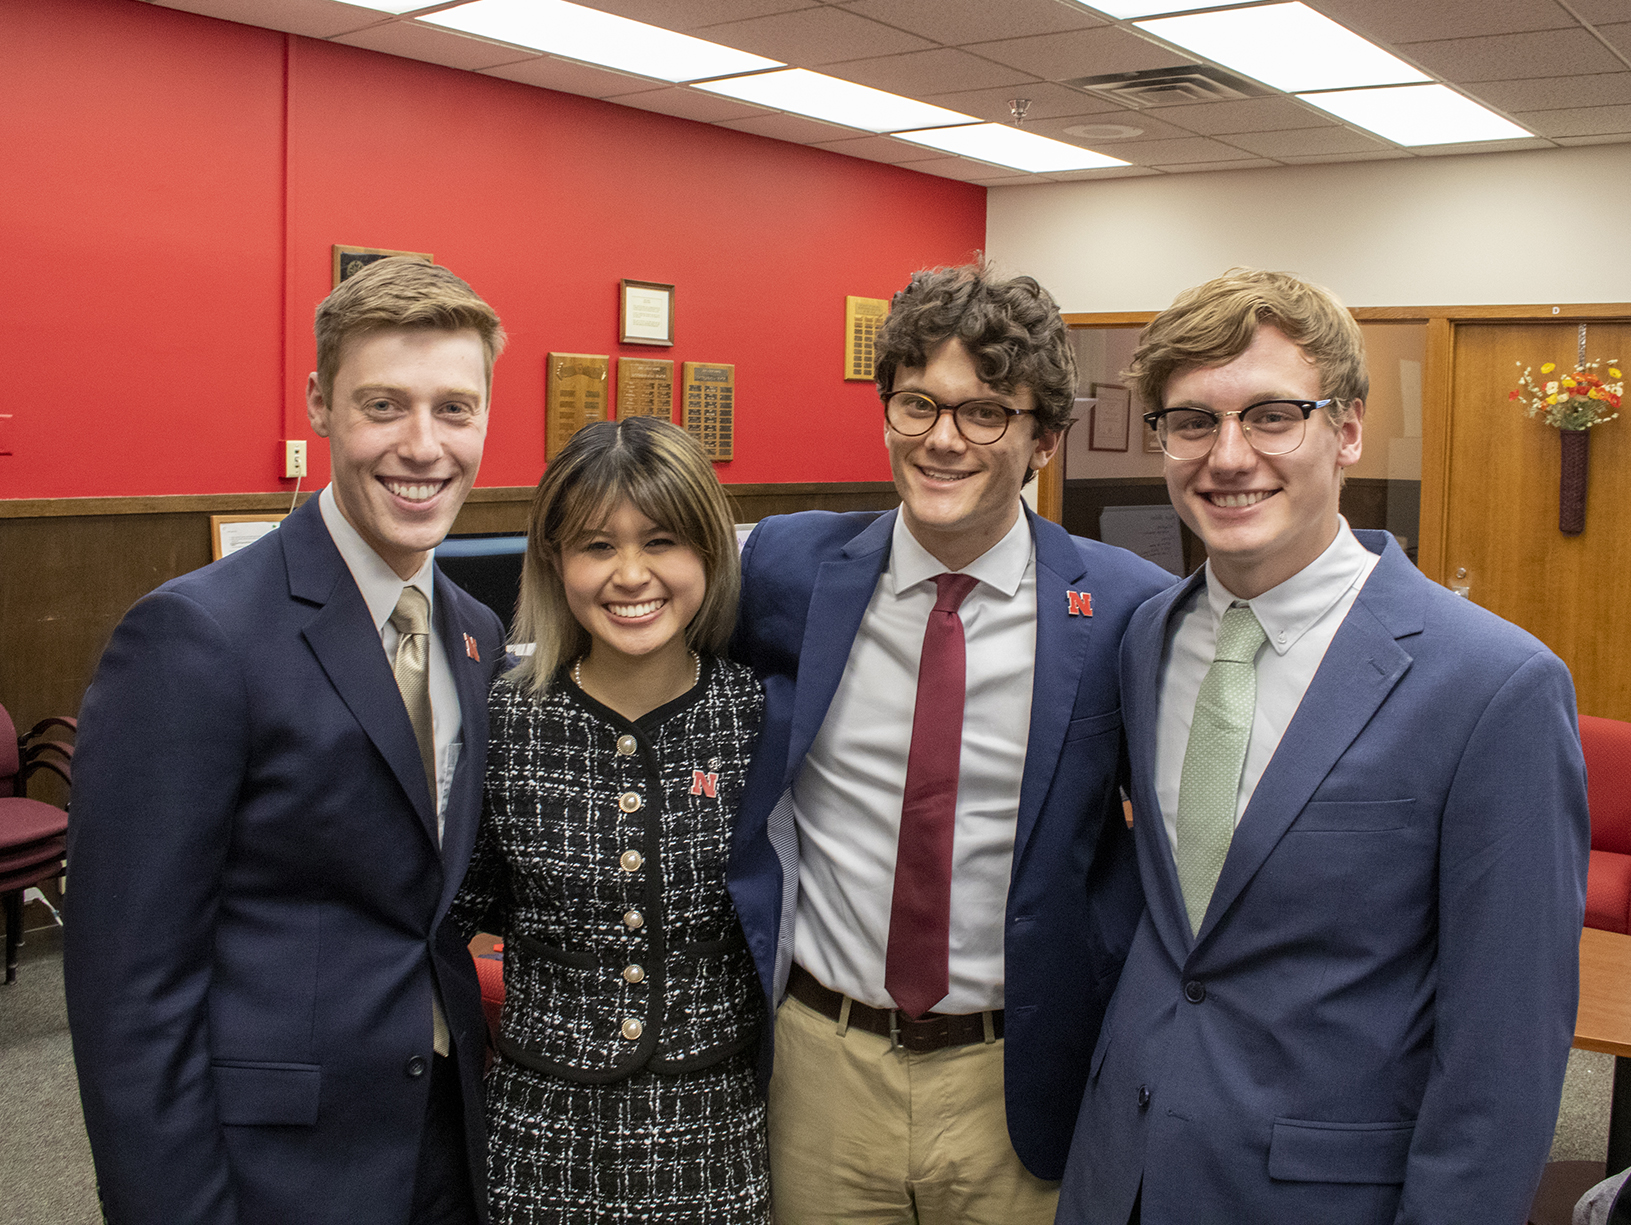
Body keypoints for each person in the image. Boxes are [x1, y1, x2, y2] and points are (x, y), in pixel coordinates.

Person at [1055, 268, 1590, 1225]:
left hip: (1323, 1195)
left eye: (1271, 415)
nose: (1227, 456)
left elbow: (1502, 1051)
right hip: (1118, 1170)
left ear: (1345, 430)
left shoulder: (1492, 686)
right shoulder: (1145, 640)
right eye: (1191, 422)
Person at [65, 257, 509, 1225]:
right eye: (384, 405)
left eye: (455, 408)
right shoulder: (196, 635)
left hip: (440, 1134)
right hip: (272, 1164)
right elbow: (129, 985)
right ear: (319, 403)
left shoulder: (472, 629)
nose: (423, 446)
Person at [728, 263, 1173, 1224]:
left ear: (1042, 437)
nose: (941, 439)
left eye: (984, 414)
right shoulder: (785, 568)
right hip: (821, 1067)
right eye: (917, 403)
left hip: (1015, 1075)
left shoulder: (1125, 606)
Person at [451, 416, 768, 1224]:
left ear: (707, 550)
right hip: (542, 1125)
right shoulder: (506, 720)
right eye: (596, 545)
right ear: (556, 564)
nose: (630, 574)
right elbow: (460, 910)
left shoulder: (756, 714)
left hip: (717, 1125)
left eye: (661, 540)